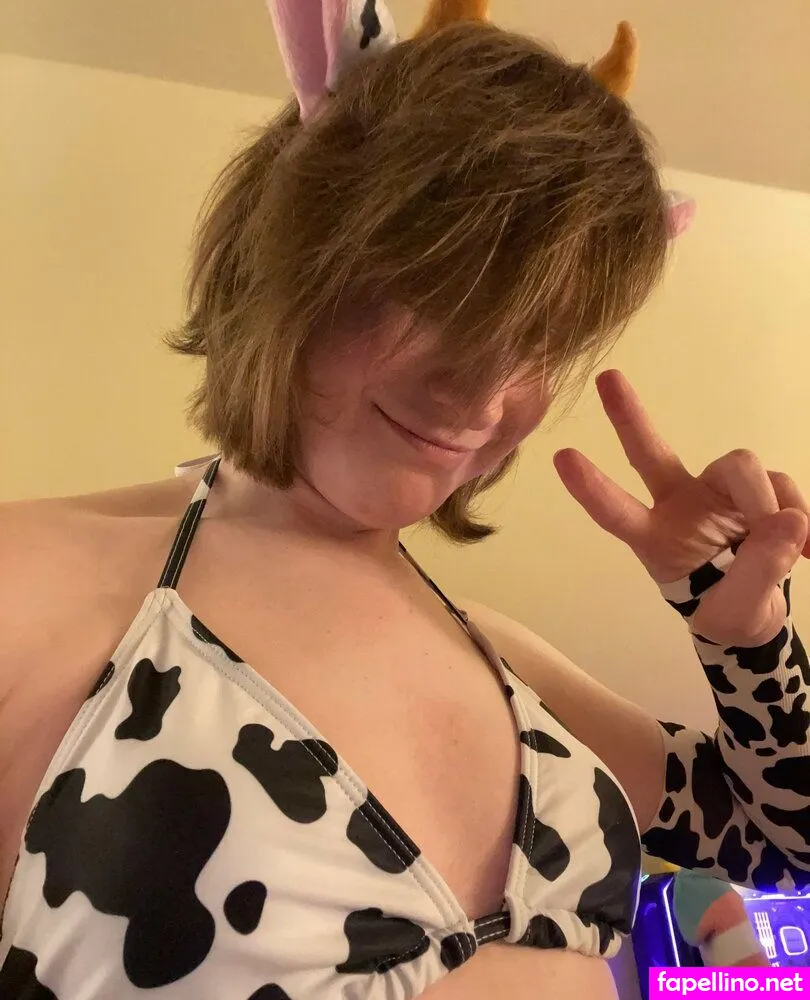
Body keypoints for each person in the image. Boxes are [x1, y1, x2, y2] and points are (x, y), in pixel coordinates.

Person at [0, 1, 808, 998]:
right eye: (439, 293)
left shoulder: (502, 665)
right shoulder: (32, 589)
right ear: (286, 247)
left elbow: (782, 843)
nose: (484, 393)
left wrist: (744, 637)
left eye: (538, 336)